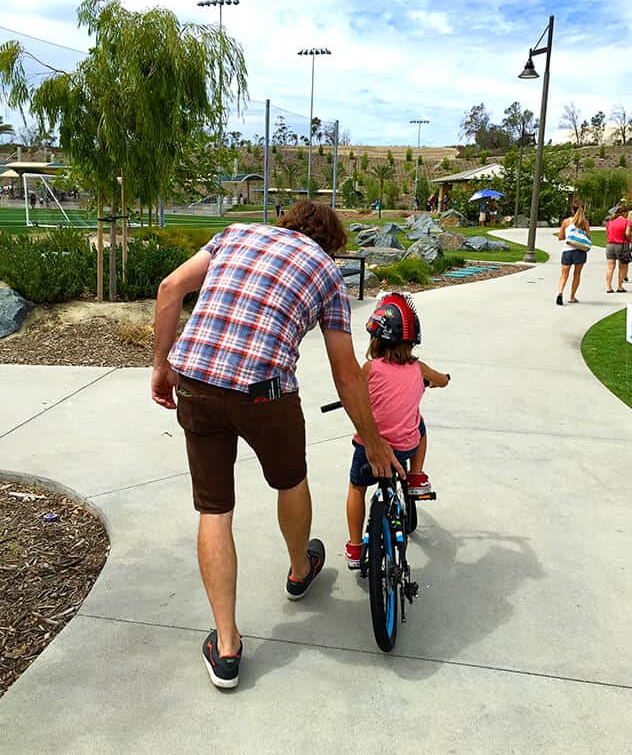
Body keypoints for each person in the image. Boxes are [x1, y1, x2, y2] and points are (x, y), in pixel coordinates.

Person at [151, 200, 401, 689]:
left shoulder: (235, 234)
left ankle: (226, 647)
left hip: (196, 381)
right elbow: (345, 372)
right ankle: (298, 568)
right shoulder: (327, 273)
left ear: (287, 222)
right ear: (331, 242)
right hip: (265, 393)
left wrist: (161, 365)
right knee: (291, 481)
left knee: (215, 510)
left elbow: (170, 288)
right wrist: (372, 441)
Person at [343, 292, 450, 569]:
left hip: (370, 448)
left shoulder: (370, 368)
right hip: (404, 446)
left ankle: (355, 549)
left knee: (357, 488)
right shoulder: (419, 369)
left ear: (376, 338)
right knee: (420, 424)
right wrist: (440, 380)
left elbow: (354, 391)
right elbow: (442, 381)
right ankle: (415, 476)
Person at [556, 203, 591, 305]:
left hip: (567, 250)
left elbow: (560, 237)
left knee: (564, 275)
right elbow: (588, 237)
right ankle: (572, 297)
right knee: (577, 274)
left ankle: (560, 293)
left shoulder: (566, 222)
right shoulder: (584, 222)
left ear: (572, 210)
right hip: (580, 251)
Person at [605, 204, 632, 293]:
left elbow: (607, 233)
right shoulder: (627, 222)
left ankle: (609, 287)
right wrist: (630, 240)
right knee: (622, 267)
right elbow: (627, 233)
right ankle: (620, 287)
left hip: (610, 245)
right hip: (622, 245)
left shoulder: (610, 222)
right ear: (624, 213)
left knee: (610, 267)